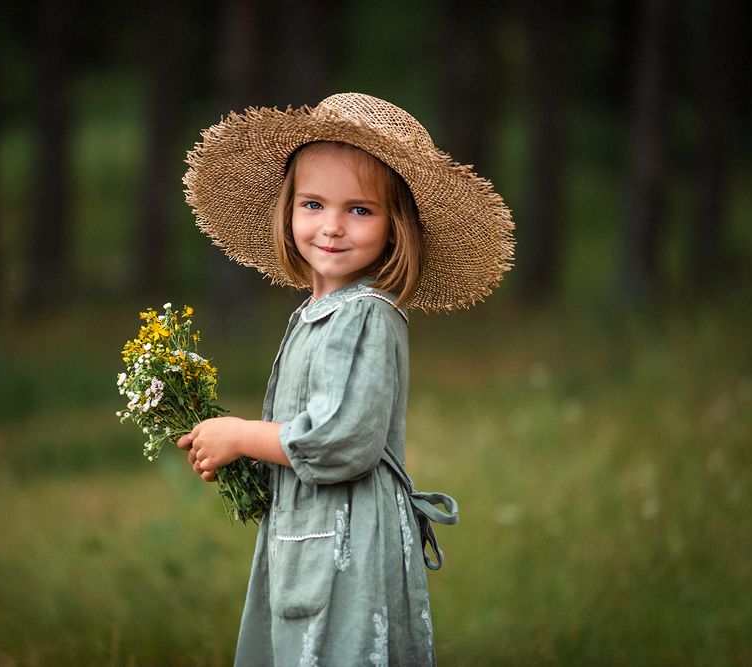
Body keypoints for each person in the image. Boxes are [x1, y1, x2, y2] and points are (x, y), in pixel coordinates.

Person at [177, 92, 514, 666]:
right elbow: (302, 431)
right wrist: (242, 457)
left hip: (350, 545)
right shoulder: (314, 315)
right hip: (308, 537)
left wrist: (241, 434)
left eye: (360, 210)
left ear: (395, 227)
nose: (331, 227)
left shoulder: (366, 315)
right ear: (288, 211)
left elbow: (342, 440)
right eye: (313, 204)